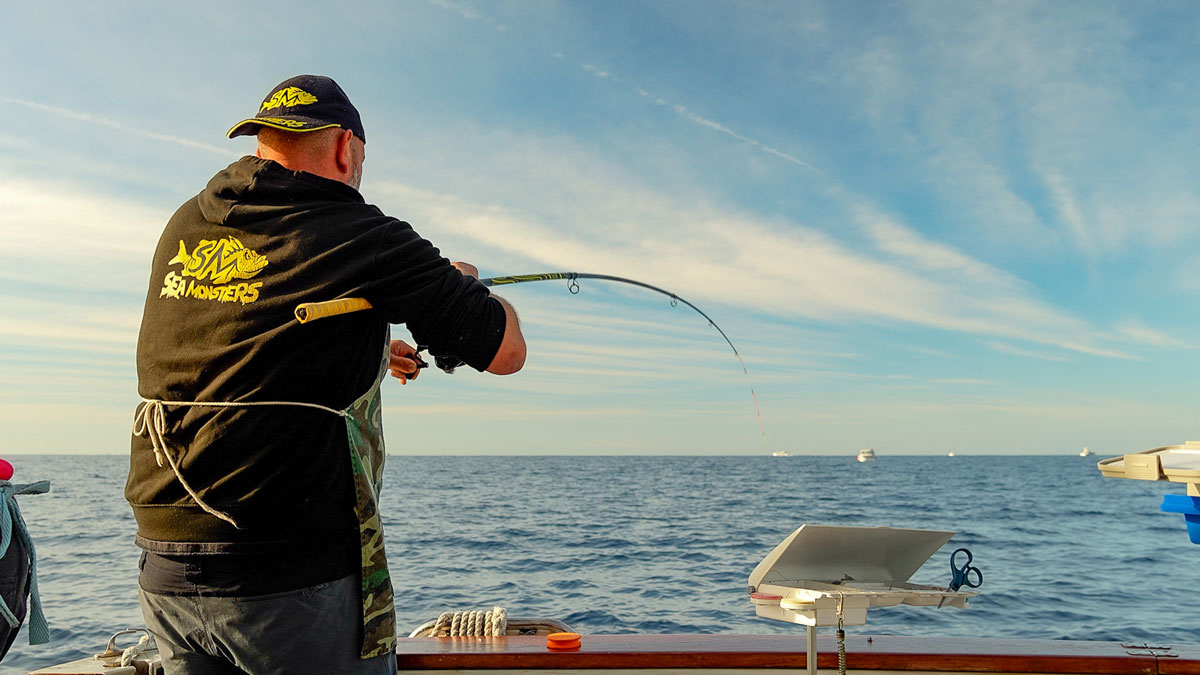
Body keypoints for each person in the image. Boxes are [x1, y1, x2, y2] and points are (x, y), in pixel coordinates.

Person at [127, 74, 526, 674]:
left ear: (262, 141)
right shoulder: (361, 233)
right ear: (346, 148)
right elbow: (504, 351)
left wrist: (366, 346)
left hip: (166, 565)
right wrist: (464, 285)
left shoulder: (186, 223)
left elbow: (245, 336)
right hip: (289, 573)